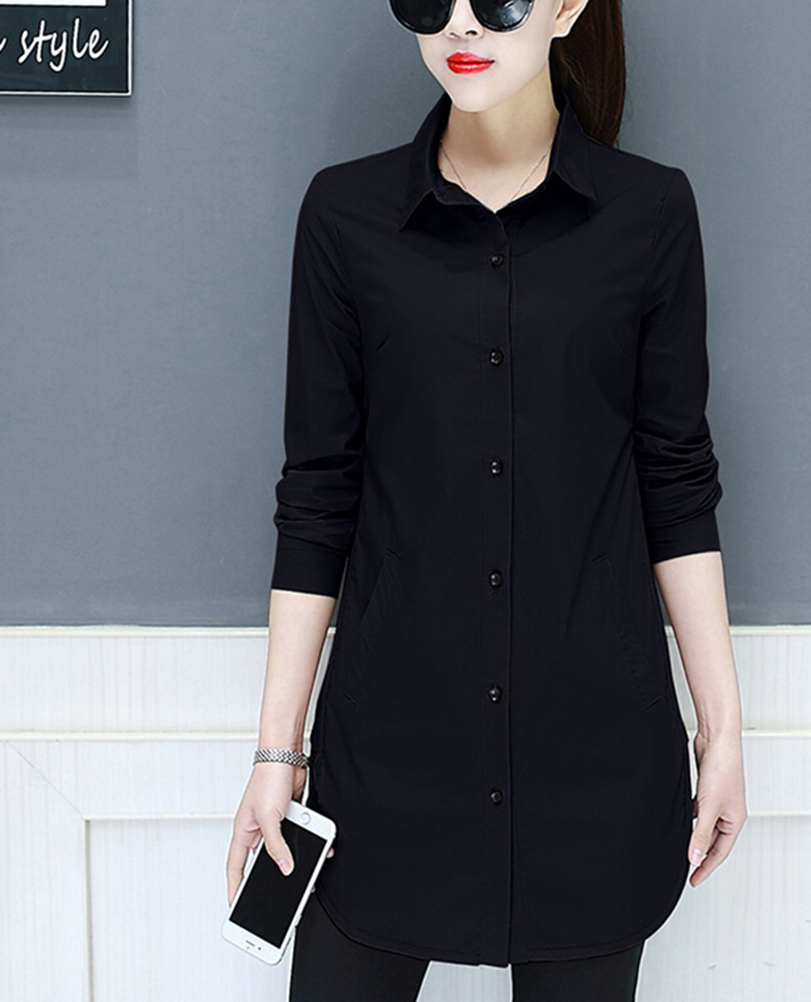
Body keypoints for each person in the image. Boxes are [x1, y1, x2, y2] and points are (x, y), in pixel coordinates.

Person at [226, 1, 747, 999]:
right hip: (387, 760)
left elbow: (677, 480)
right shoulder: (344, 215)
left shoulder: (649, 214)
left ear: (566, 7)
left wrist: (721, 733)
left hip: (594, 765)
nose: (461, 23)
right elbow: (318, 493)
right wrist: (276, 752)